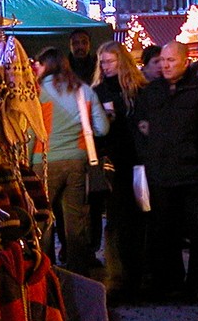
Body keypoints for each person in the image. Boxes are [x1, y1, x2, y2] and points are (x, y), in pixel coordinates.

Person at [132, 41, 198, 304]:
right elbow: (139, 126)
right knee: (164, 231)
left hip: (193, 173)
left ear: (185, 61)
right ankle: (170, 284)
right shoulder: (152, 92)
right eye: (163, 60)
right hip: (161, 172)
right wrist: (147, 156)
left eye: (171, 60)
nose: (166, 65)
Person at [34, 46, 109, 276]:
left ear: (45, 66)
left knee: (44, 220)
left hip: (43, 162)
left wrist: (26, 163)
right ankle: (78, 273)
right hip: (77, 162)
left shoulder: (37, 93)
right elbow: (102, 128)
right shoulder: (83, 91)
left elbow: (30, 131)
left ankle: (47, 273)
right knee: (75, 221)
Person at [93, 41, 147, 299]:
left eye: (110, 62)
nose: (105, 67)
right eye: (102, 62)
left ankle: (138, 274)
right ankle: (118, 277)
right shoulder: (99, 91)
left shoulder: (137, 89)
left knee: (139, 217)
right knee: (116, 220)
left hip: (137, 159)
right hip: (113, 160)